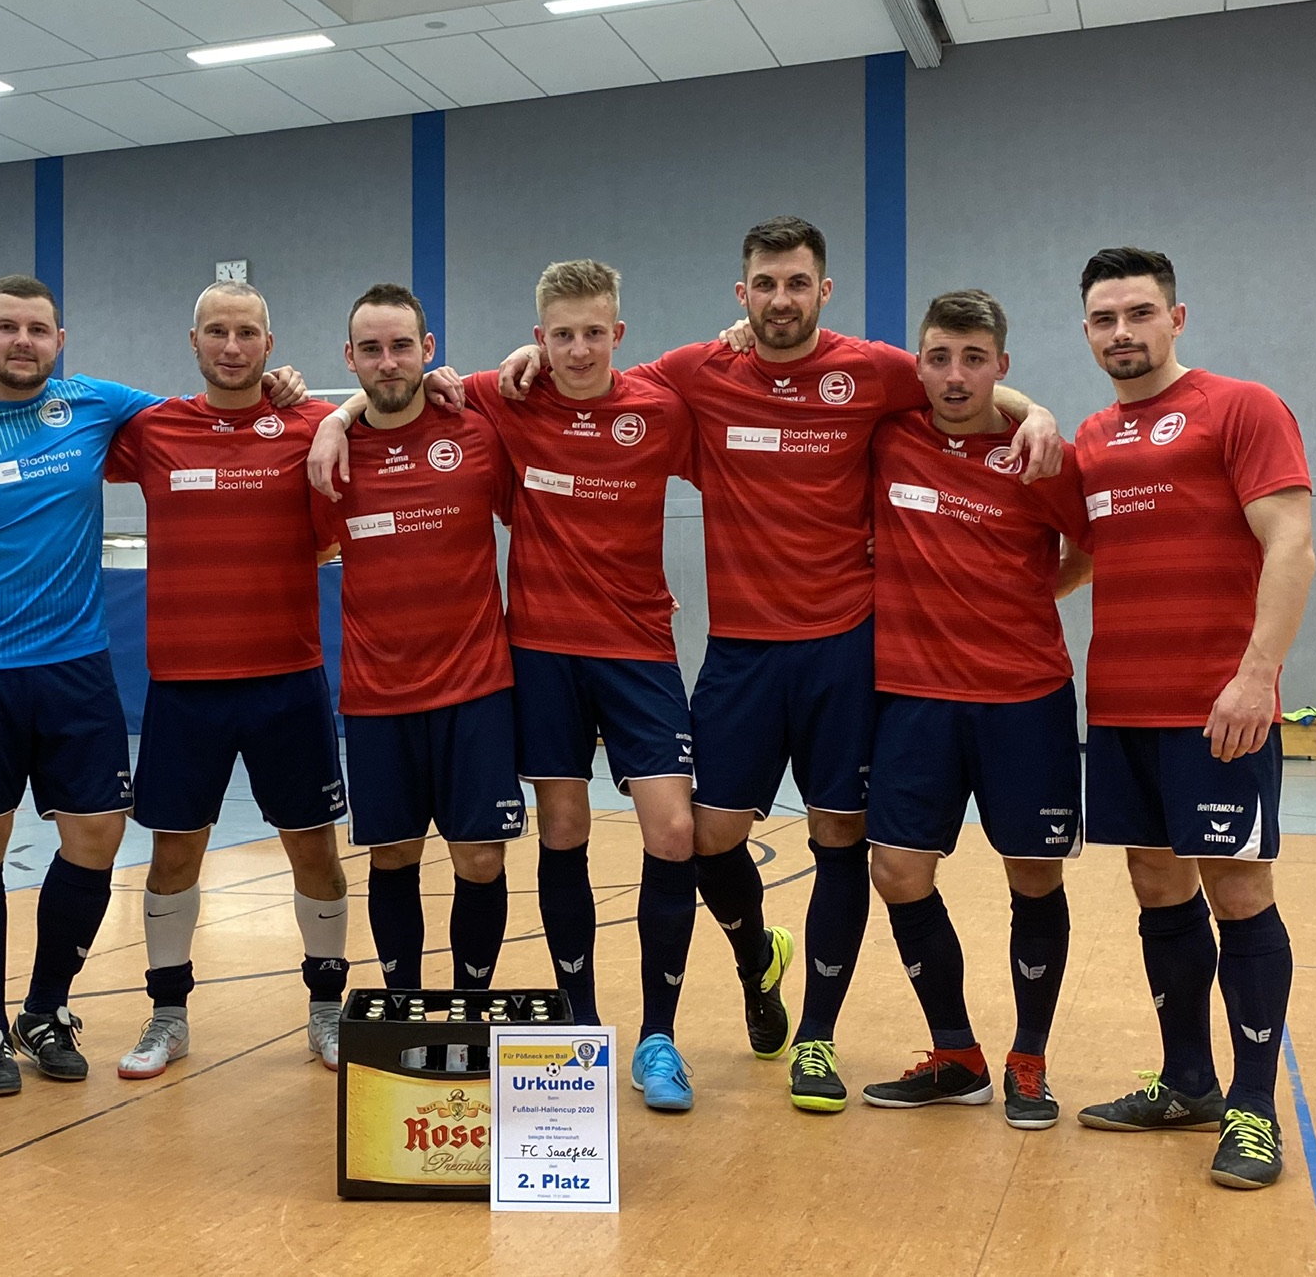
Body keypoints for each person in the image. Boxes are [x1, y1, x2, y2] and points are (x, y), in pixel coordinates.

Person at [500, 217, 1060, 1113]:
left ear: (822, 291)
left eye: (796, 283)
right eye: (764, 284)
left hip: (847, 650)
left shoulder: (873, 370)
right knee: (704, 837)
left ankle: (816, 1041)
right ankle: (757, 953)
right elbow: (589, 380)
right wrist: (509, 366)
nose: (780, 300)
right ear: (741, 294)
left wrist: (1037, 411)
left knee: (840, 839)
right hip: (741, 655)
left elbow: (966, 383)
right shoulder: (693, 373)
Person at [310, 260, 706, 1112]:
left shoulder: (654, 408)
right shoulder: (500, 404)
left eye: (591, 331)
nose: (575, 347)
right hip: (535, 651)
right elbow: (391, 397)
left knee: (674, 831)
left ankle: (659, 1037)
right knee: (555, 826)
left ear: (617, 334)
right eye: (560, 333)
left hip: (634, 648)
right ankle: (572, 1020)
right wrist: (332, 419)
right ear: (538, 338)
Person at [1067, 247, 1315, 1192]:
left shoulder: (1240, 407)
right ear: (1085, 330)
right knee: (1155, 888)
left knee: (1238, 894)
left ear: (1176, 318)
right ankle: (1186, 1082)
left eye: (1137, 313)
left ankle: (1252, 1109)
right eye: (1102, 319)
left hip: (1220, 710)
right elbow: (1084, 555)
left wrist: (1256, 677)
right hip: (1122, 707)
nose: (1120, 332)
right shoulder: (1090, 436)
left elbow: (1290, 546)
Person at [0, 275, 161, 1096]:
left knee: (97, 837)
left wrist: (320, 406)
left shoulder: (95, 405)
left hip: (74, 665)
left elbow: (210, 422)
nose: (22, 341)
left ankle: (44, 1010)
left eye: (37, 329)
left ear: (60, 338)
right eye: (6, 327)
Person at [850, 290, 1091, 1127]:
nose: (955, 377)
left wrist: (1027, 592)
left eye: (973, 358)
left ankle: (1029, 1061)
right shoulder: (888, 438)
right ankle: (956, 1055)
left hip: (1023, 697)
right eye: (939, 358)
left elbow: (1086, 546)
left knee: (1032, 876)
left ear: (1002, 366)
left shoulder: (1039, 452)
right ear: (916, 364)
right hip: (913, 699)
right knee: (897, 872)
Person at [101, 281, 351, 1078]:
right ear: (194, 341)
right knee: (174, 856)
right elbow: (53, 419)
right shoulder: (151, 429)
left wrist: (333, 410)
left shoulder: (312, 422)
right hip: (184, 685)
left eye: (247, 332)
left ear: (270, 346)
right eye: (218, 331)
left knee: (313, 851)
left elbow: (386, 411)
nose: (232, 346)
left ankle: (326, 1009)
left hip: (288, 679)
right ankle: (166, 1015)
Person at [311, 284, 524, 1009]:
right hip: (377, 698)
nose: (388, 360)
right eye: (370, 348)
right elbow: (301, 551)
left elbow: (544, 518)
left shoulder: (476, 431)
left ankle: (469, 1004)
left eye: (401, 345)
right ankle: (402, 1004)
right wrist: (334, 418)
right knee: (393, 855)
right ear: (349, 359)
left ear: (428, 351)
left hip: (476, 688)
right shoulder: (328, 455)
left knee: (480, 858)